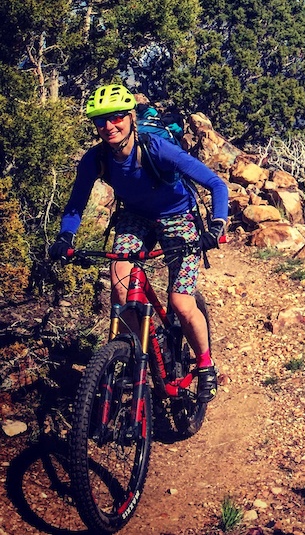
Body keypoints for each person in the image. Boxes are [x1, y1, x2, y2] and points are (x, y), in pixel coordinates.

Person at [49, 83, 229, 402]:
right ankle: (134, 356)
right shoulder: (96, 158)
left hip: (178, 215)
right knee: (120, 291)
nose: (108, 126)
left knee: (181, 303)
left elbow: (215, 184)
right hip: (134, 215)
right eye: (100, 120)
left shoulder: (157, 148)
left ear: (131, 116)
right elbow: (76, 204)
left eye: (116, 116)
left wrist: (216, 224)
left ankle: (205, 365)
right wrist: (65, 235)